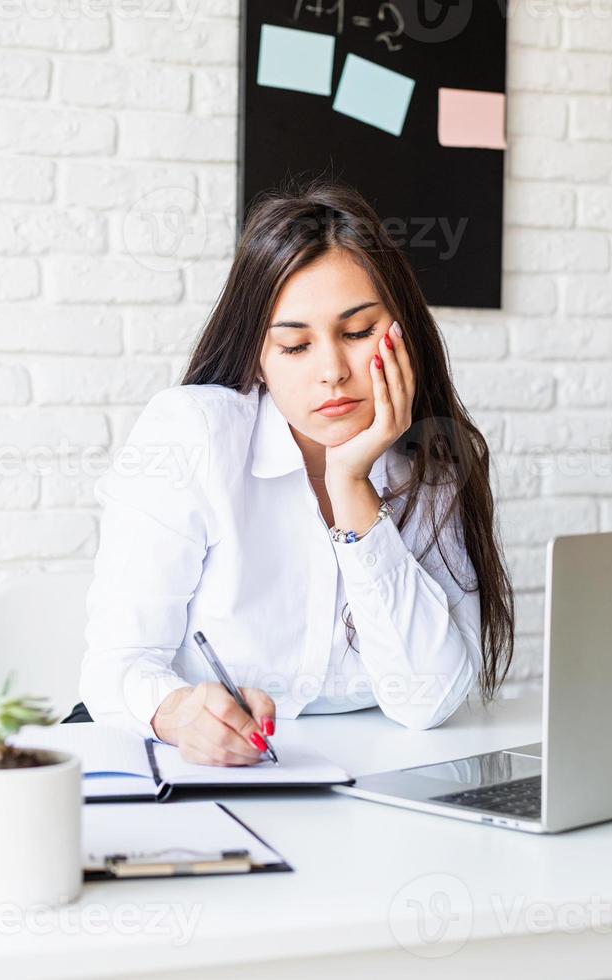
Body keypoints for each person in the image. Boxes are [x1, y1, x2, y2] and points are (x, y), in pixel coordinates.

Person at [72, 177, 514, 766]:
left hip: (372, 783)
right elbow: (116, 667)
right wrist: (179, 714)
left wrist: (353, 489)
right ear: (258, 353)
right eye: (294, 346)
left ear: (403, 328)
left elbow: (428, 700)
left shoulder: (431, 465)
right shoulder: (192, 436)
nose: (332, 370)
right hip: (208, 776)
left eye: (358, 333)